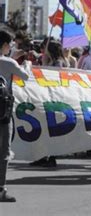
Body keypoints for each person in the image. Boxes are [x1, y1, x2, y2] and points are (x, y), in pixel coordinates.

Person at [0, 30, 30, 202]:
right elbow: (25, 76)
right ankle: (1, 189)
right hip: (3, 112)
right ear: (4, 45)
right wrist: (26, 64)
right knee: (4, 150)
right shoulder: (10, 62)